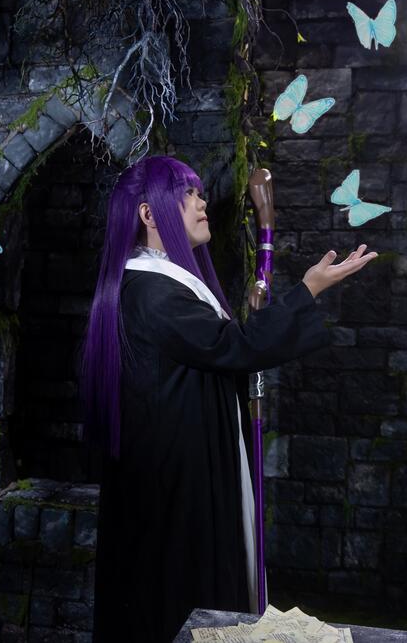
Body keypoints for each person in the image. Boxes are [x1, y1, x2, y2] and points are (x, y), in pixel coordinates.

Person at [81, 155, 377, 642]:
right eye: (189, 195)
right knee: (174, 598)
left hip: (174, 473)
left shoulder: (153, 284)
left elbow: (220, 351)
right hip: (174, 484)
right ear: (149, 214)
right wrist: (307, 290)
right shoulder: (152, 291)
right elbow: (233, 347)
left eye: (200, 193)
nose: (202, 204)